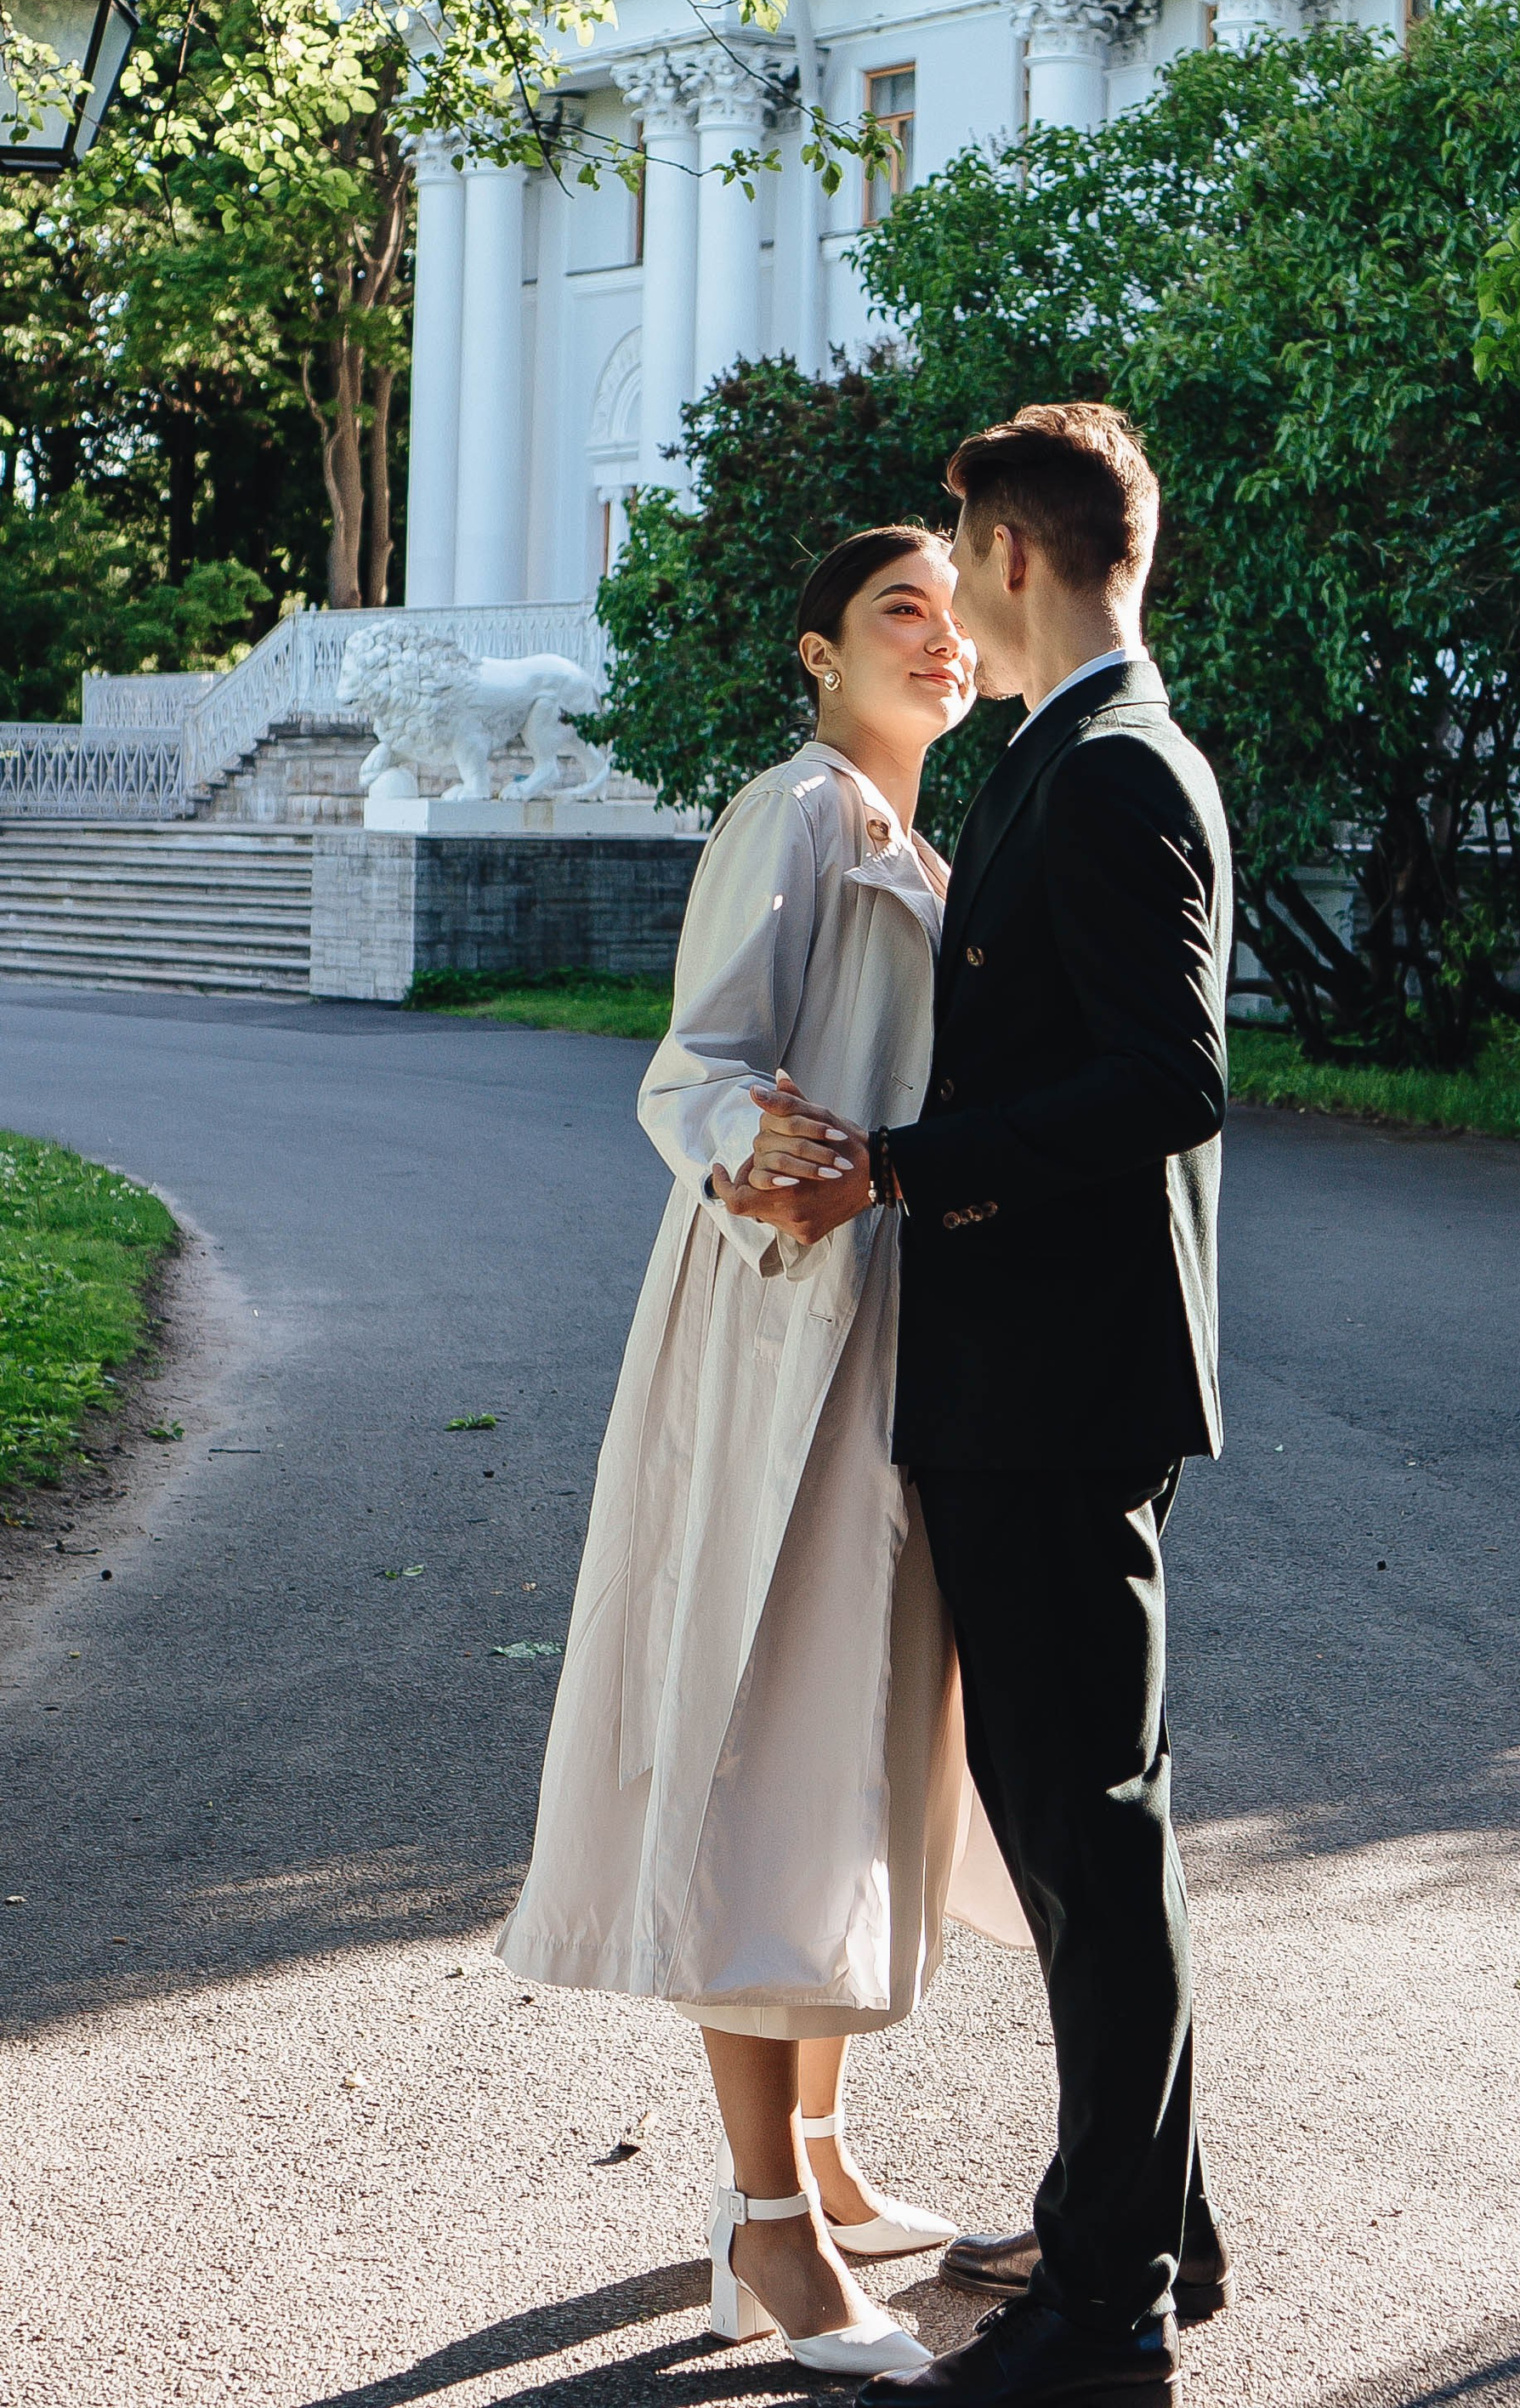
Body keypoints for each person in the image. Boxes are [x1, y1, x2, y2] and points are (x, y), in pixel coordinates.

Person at [741, 403, 1234, 2408]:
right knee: (1093, 1833)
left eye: (960, 555)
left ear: (1012, 556)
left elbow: (1166, 1079)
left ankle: (1103, 2301)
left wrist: (900, 1162)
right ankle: (1153, 2223)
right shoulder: (1067, 754)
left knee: (1084, 1839)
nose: (951, 593)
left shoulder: (1113, 770)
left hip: (1056, 1388)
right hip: (1036, 1379)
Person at [496, 525, 1028, 2381]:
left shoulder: (927, 848)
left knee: (856, 1742)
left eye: (963, 615)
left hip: (891, 1332)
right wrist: (753, 1164)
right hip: (778, 1323)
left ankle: (814, 2143)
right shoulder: (792, 811)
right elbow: (691, 1062)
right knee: (763, 1726)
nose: (944, 639)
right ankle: (758, 2226)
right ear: (818, 652)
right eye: (903, 609)